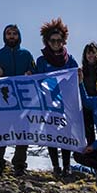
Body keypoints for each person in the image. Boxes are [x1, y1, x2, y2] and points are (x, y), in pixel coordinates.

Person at [0, 24, 36, 177]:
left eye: (14, 33)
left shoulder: (27, 55)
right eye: (9, 33)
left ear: (19, 36)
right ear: (4, 36)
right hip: (3, 103)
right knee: (1, 134)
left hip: (23, 103)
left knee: (23, 134)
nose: (12, 36)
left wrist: (30, 74)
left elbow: (35, 75)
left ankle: (20, 166)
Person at [35, 17, 78, 177]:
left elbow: (75, 81)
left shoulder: (70, 60)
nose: (56, 43)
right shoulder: (41, 60)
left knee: (65, 134)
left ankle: (67, 166)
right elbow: (37, 81)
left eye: (59, 40)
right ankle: (55, 166)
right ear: (47, 41)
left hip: (66, 104)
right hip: (47, 104)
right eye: (52, 40)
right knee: (51, 135)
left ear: (63, 41)